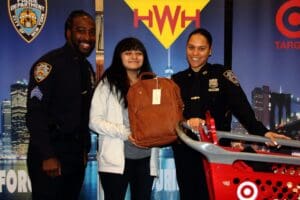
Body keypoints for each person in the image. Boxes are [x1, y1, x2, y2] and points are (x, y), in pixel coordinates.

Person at [171, 28, 290, 200]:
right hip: (186, 151)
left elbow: (243, 110)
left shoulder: (222, 75)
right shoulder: (176, 80)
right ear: (186, 49)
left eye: (201, 48)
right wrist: (186, 121)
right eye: (191, 48)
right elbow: (171, 117)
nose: (195, 53)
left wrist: (263, 133)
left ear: (210, 50)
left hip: (217, 152)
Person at [26, 10, 96, 200]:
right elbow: (35, 113)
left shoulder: (87, 68)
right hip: (50, 153)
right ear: (68, 32)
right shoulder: (48, 65)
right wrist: (47, 155)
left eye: (91, 32)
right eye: (81, 31)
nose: (87, 37)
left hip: (75, 156)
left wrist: (84, 149)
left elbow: (83, 113)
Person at [89, 37, 159, 200]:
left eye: (138, 52)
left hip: (146, 160)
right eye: (128, 52)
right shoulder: (107, 84)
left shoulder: (153, 83)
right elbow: (94, 121)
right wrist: (125, 133)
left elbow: (158, 117)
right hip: (115, 161)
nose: (134, 56)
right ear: (119, 56)